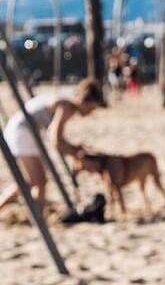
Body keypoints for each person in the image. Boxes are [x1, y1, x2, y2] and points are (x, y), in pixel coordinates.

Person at [0, 78, 104, 214]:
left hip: (20, 130)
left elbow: (55, 135)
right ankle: (39, 218)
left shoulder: (64, 102)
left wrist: (74, 149)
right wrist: (79, 156)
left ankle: (12, 208)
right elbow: (55, 139)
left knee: (29, 181)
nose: (90, 113)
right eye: (91, 108)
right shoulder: (67, 107)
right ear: (83, 101)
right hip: (22, 132)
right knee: (40, 182)